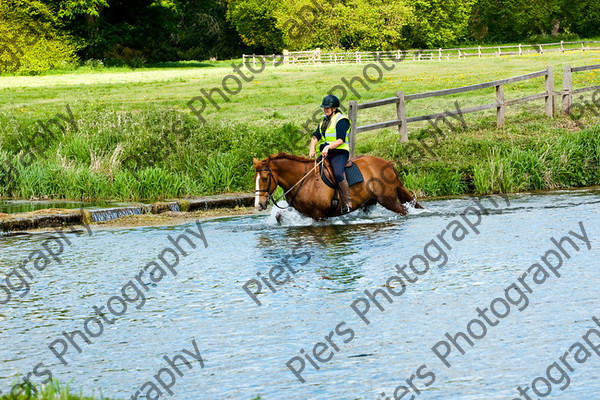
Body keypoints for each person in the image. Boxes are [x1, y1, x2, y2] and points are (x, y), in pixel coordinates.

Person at [309, 94, 352, 213]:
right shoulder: (323, 120)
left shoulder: (341, 120)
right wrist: (312, 148)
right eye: (324, 108)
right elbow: (316, 136)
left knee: (338, 173)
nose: (325, 110)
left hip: (339, 153)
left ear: (334, 109)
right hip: (326, 153)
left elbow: (340, 140)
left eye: (327, 108)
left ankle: (347, 202)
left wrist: (328, 147)